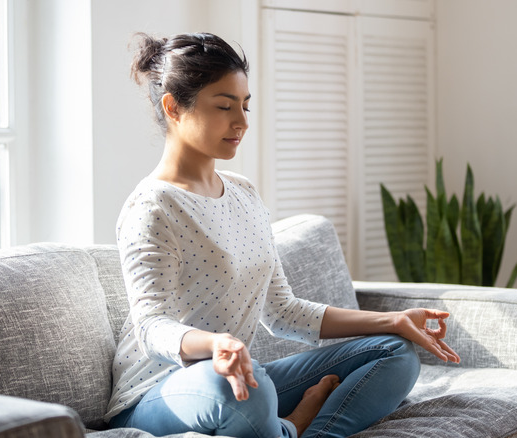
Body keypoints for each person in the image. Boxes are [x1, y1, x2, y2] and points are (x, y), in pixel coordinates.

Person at [105, 32, 460, 438]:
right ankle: (287, 428)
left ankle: (305, 432)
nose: (241, 122)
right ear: (174, 107)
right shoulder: (153, 207)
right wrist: (216, 345)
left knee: (395, 351)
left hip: (240, 378)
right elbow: (151, 326)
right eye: (224, 106)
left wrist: (393, 320)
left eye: (244, 105)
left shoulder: (244, 193)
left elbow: (283, 312)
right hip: (158, 393)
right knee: (236, 388)